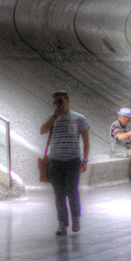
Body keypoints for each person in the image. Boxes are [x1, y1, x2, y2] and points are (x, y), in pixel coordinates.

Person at [40, 90, 89, 236]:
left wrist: (85, 160)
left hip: (73, 160)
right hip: (55, 160)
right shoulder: (52, 118)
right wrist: (54, 117)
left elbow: (86, 143)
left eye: (60, 101)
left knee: (72, 191)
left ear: (68, 101)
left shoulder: (79, 119)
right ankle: (62, 223)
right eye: (55, 102)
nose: (58, 105)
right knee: (58, 194)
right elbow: (42, 130)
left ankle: (75, 218)